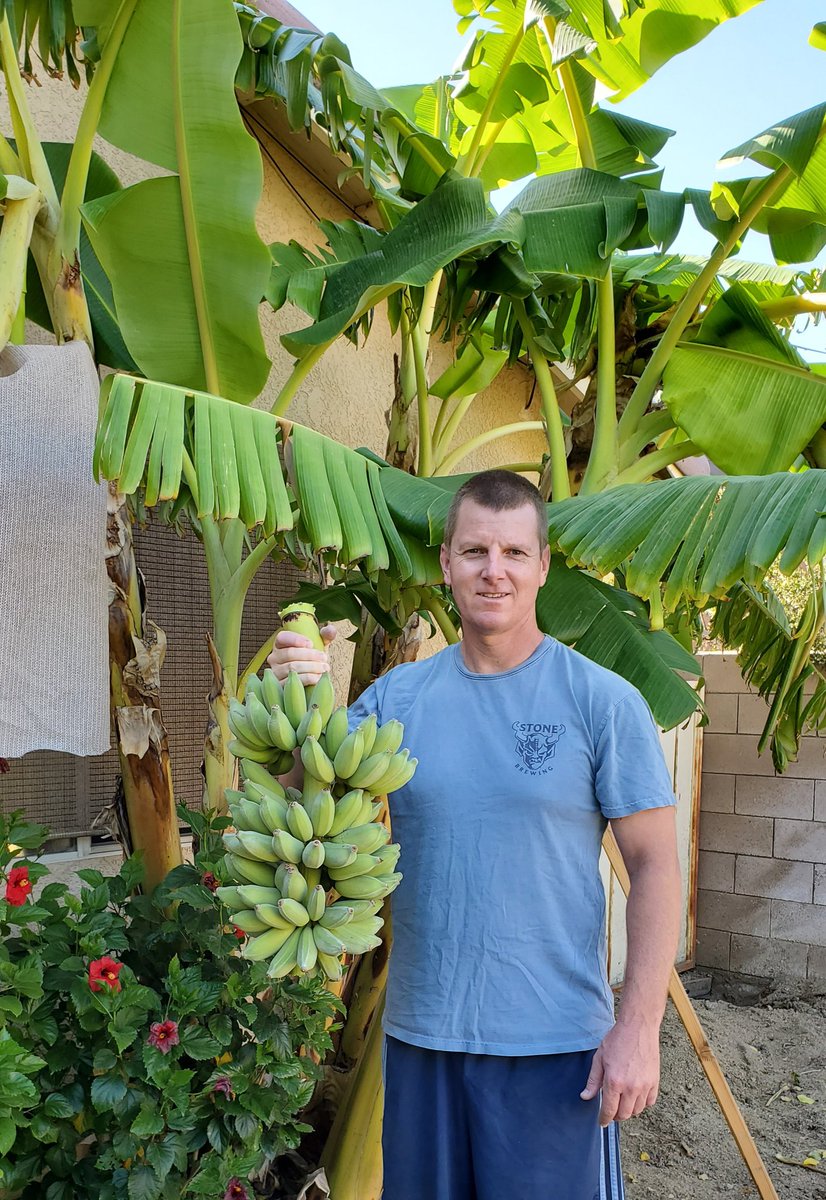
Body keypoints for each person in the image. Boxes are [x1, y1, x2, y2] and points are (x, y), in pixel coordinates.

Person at [268, 469, 681, 1200]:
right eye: (475, 552)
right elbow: (305, 784)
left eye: (515, 553)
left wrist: (639, 1028)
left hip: (555, 1048)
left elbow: (655, 865)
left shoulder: (600, 700)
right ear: (448, 563)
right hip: (421, 1038)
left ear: (543, 566)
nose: (495, 571)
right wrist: (298, 686)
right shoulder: (399, 697)